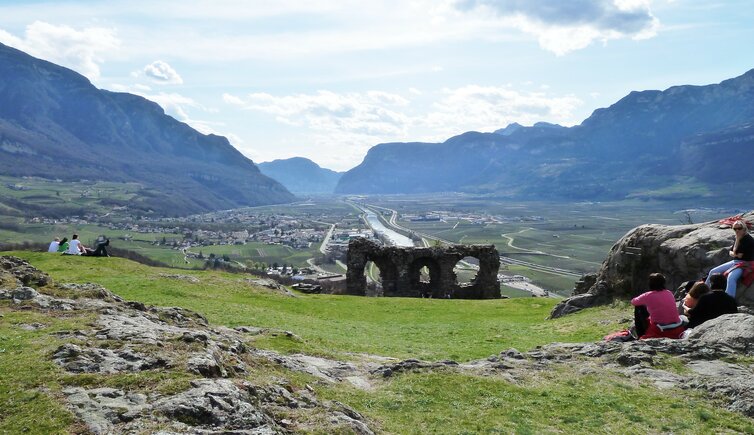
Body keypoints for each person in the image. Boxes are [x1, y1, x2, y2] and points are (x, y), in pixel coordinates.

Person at [706, 220, 754, 298]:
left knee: (731, 277)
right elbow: (731, 253)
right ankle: (705, 292)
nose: (737, 230)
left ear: (744, 228)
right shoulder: (738, 237)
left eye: (739, 228)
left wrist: (737, 241)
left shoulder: (747, 239)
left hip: (745, 264)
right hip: (736, 261)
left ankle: (729, 299)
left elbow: (738, 255)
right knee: (713, 271)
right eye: (735, 229)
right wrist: (735, 251)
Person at [631, 273, 685, 339]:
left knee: (639, 307)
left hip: (660, 329)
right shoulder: (669, 293)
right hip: (677, 327)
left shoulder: (647, 295)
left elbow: (633, 302)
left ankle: (640, 334)